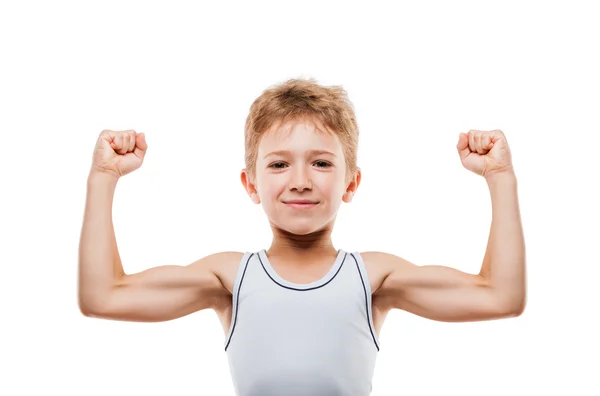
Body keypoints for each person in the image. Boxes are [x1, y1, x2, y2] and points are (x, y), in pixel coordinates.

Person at [78, 77, 526, 396]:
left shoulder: (373, 278)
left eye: (321, 163)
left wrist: (500, 177)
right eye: (278, 164)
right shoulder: (229, 279)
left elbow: (500, 296)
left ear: (351, 183)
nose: (300, 180)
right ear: (250, 184)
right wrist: (104, 177)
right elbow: (104, 296)